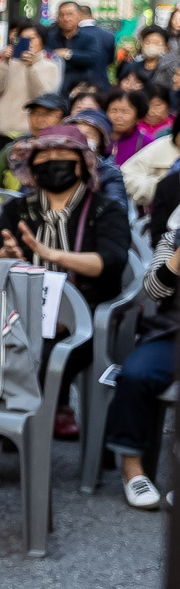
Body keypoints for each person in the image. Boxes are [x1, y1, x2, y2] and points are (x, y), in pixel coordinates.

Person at [0, 126, 129, 314]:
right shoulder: (16, 209)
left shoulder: (105, 209)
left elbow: (110, 262)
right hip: (20, 313)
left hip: (87, 313)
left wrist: (50, 254)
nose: (52, 159)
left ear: (83, 162)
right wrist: (2, 257)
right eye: (43, 155)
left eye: (62, 152)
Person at [104, 218, 180, 510]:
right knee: (136, 374)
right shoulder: (173, 238)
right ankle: (132, 469)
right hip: (171, 333)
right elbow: (154, 290)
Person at [46, 0, 117, 93]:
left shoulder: (89, 38)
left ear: (79, 15)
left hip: (84, 89)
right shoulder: (50, 36)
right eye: (61, 14)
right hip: (56, 88)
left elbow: (94, 57)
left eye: (70, 14)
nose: (66, 18)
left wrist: (68, 54)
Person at [109, 88, 156, 166]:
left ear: (138, 115)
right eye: (114, 110)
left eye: (126, 112)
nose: (118, 116)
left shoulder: (148, 143)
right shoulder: (100, 139)